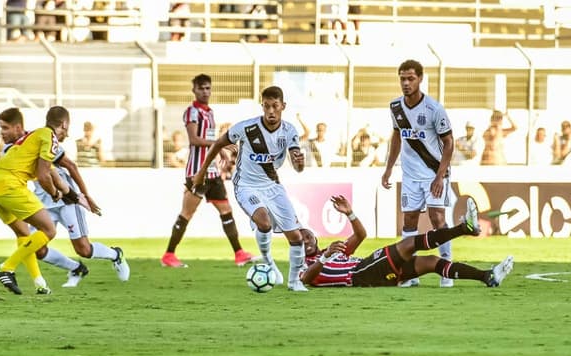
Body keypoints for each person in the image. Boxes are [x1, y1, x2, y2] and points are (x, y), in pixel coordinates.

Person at [192, 85, 309, 292]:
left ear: (283, 106)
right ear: (262, 106)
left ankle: (294, 282)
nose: (271, 111)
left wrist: (300, 162)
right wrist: (201, 173)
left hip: (273, 186)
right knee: (263, 222)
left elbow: (298, 166)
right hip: (246, 186)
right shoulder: (246, 128)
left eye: (275, 106)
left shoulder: (289, 131)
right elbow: (218, 144)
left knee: (297, 237)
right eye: (266, 106)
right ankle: (268, 262)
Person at [0, 108, 130, 288]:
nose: (1, 133)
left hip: (66, 199)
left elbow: (70, 167)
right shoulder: (8, 150)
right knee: (36, 248)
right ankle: (76, 269)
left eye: (5, 128)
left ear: (18, 127)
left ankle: (115, 254)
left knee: (83, 249)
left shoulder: (40, 139)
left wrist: (84, 195)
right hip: (44, 201)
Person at [300, 195, 514, 288]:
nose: (304, 240)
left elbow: (360, 236)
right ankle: (463, 228)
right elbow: (307, 279)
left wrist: (351, 214)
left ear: (316, 238)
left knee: (431, 262)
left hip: (368, 269)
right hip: (359, 274)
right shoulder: (306, 264)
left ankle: (487, 276)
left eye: (307, 235)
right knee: (409, 243)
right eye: (300, 239)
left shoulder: (331, 250)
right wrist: (325, 257)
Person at [161, 74, 257, 268]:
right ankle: (169, 255)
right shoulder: (192, 112)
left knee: (226, 210)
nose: (206, 92)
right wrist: (220, 144)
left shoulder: (210, 113)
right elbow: (195, 140)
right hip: (198, 173)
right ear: (194, 90)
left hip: (213, 174)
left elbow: (210, 139)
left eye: (208, 88)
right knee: (186, 213)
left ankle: (239, 253)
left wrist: (221, 150)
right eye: (202, 88)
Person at [381, 59, 456, 288]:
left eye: (410, 78)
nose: (406, 83)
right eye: (402, 78)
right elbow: (396, 137)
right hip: (410, 174)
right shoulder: (395, 107)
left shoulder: (434, 109)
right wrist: (389, 168)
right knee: (410, 219)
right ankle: (408, 272)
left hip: (433, 172)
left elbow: (449, 142)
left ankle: (446, 268)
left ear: (420, 79)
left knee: (437, 218)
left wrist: (440, 175)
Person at [0, 106, 70, 295]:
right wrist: (55, 193)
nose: (68, 134)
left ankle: (40, 283)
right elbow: (43, 175)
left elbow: (51, 171)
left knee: (23, 232)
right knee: (48, 230)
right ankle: (5, 268)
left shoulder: (34, 136)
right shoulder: (49, 137)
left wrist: (66, 190)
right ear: (64, 124)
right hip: (10, 185)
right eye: (67, 129)